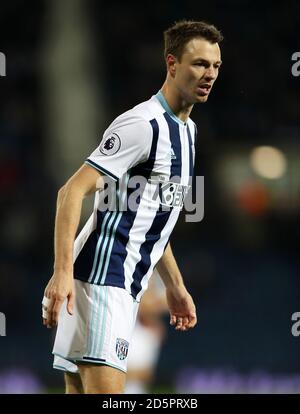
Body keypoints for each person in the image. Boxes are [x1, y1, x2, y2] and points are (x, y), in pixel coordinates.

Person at [42, 20, 223, 394]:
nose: (209, 74)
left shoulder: (188, 132)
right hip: (102, 279)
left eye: (215, 66)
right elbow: (71, 192)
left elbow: (154, 221)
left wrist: (175, 285)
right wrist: (61, 273)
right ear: (172, 64)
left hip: (123, 285)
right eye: (199, 63)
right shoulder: (142, 124)